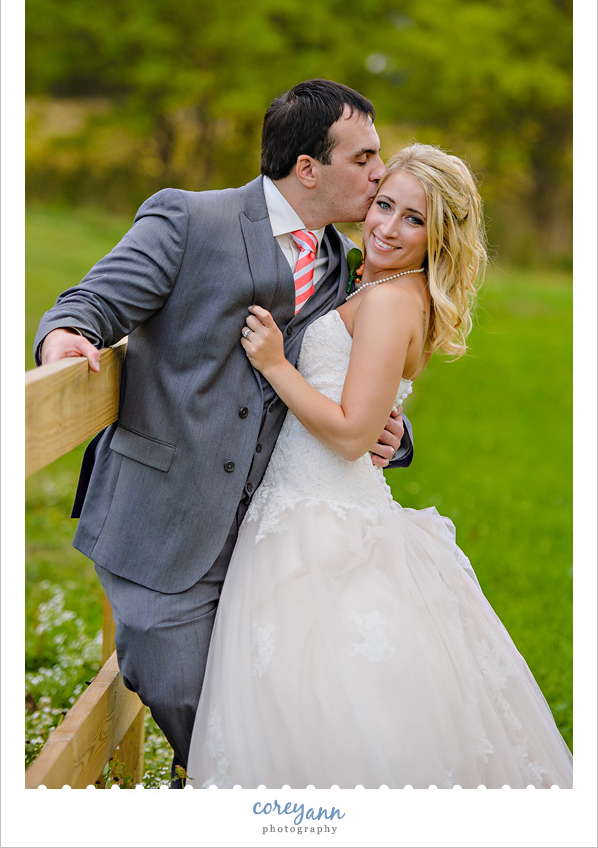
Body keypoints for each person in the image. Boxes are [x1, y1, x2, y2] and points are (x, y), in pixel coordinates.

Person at [33, 79, 414, 786]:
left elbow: (349, 376)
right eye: (363, 159)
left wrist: (396, 433)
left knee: (273, 701)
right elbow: (89, 302)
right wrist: (64, 341)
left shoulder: (343, 263)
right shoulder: (189, 220)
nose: (378, 174)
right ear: (308, 168)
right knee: (182, 684)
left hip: (268, 534)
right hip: (162, 516)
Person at [186, 144, 573, 788]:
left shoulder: (393, 299)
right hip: (302, 506)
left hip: (323, 519)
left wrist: (278, 364)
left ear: (440, 236)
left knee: (326, 706)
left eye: (413, 220)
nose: (388, 228)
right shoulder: (377, 281)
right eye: (384, 205)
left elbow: (349, 434)